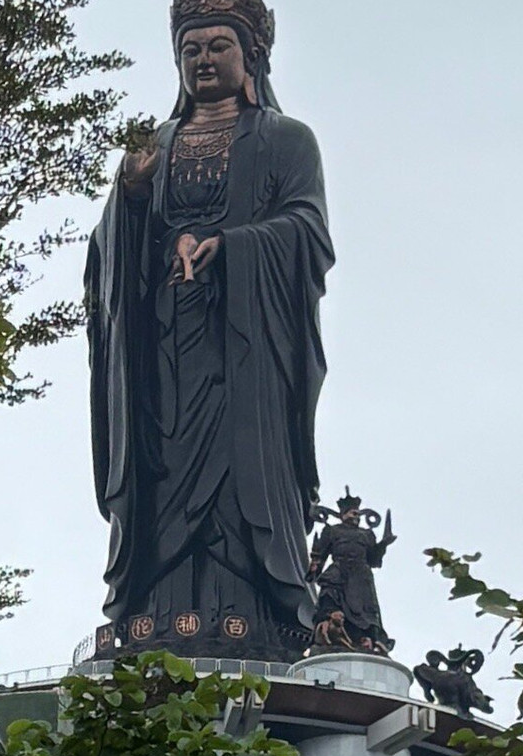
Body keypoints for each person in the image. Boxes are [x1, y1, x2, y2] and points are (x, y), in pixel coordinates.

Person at [86, 0, 335, 660]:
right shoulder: (155, 145)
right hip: (165, 348)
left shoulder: (286, 140)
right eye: (191, 49)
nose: (203, 60)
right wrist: (134, 199)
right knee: (160, 469)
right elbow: (108, 263)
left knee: (240, 473)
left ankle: (249, 612)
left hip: (246, 350)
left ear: (250, 56)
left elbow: (309, 235)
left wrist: (231, 245)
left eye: (218, 46)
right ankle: (157, 609)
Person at [306, 493, 396, 654]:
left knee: (366, 613)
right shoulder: (332, 531)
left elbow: (374, 560)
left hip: (360, 578)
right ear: (343, 514)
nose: (356, 516)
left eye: (358, 513)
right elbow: (320, 554)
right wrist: (315, 565)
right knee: (330, 601)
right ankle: (331, 636)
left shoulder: (367, 534)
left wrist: (383, 544)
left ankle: (367, 640)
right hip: (338, 573)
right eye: (353, 512)